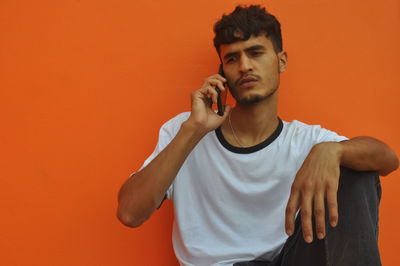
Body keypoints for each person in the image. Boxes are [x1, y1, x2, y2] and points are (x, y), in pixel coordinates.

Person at [117, 5, 399, 266]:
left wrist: (333, 150)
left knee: (357, 170)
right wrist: (193, 131)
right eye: (232, 58)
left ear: (282, 61)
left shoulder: (303, 140)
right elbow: (129, 213)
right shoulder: (186, 129)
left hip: (289, 259)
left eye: (255, 53)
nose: (244, 66)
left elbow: (387, 158)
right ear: (222, 73)